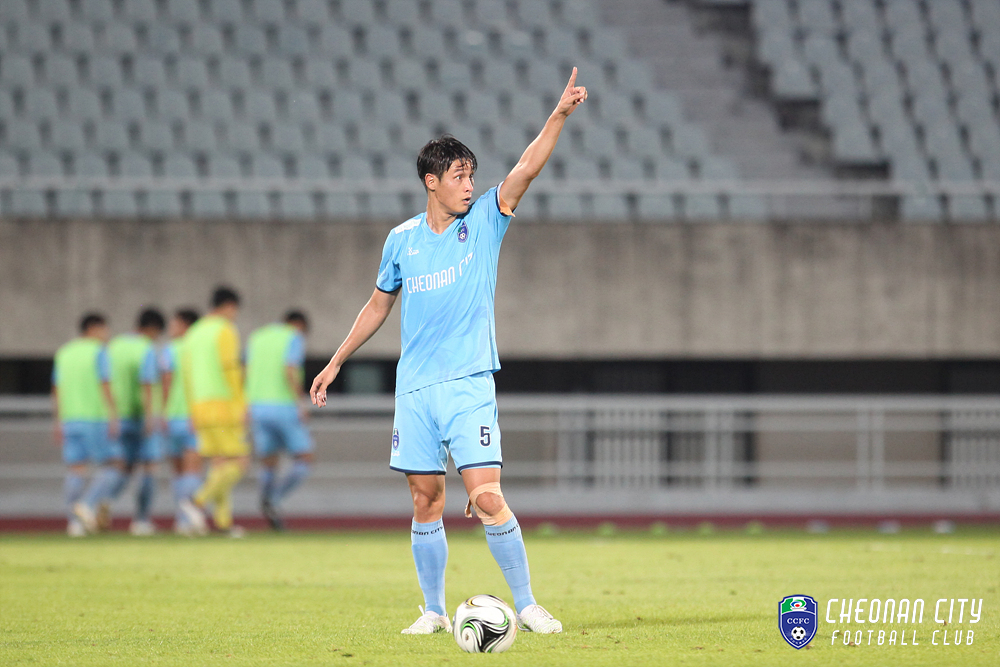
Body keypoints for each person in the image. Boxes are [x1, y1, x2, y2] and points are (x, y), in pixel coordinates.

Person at [311, 68, 588, 635]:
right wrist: (336, 360)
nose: (469, 185)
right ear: (431, 181)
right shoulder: (402, 240)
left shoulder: (485, 220)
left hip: (468, 384)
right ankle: (434, 611)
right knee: (425, 501)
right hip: (415, 389)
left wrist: (558, 116)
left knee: (486, 497)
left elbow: (526, 169)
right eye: (459, 176)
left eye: (471, 176)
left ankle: (527, 604)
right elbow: (377, 305)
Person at [178, 286, 248, 537]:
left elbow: (186, 376)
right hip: (224, 404)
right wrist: (241, 404)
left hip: (200, 406)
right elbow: (231, 369)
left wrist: (191, 410)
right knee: (239, 462)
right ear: (229, 306)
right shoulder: (225, 330)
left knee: (219, 465)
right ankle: (196, 501)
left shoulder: (192, 333)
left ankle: (223, 523)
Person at [53, 313, 121, 536]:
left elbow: (56, 389)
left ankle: (74, 523)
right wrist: (113, 415)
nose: (107, 334)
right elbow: (105, 384)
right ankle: (87, 504)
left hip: (70, 419)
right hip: (95, 417)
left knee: (76, 470)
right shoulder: (99, 351)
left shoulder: (64, 353)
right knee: (113, 466)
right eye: (105, 329)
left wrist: (57, 420)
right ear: (93, 328)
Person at [245, 310, 313, 531]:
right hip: (284, 406)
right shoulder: (293, 336)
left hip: (257, 406)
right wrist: (301, 402)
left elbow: (246, 371)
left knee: (268, 461)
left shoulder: (256, 337)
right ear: (299, 325)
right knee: (304, 458)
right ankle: (274, 499)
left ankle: (266, 499)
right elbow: (290, 368)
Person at [107, 308, 166, 536]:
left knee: (122, 467)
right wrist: (150, 416)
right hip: (141, 416)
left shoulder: (114, 346)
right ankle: (141, 519)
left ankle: (104, 503)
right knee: (149, 467)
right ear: (152, 329)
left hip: (117, 417)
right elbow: (147, 383)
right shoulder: (146, 349)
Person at [159, 308, 202, 535]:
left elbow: (166, 381)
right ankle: (187, 520)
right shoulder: (198, 349)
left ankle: (181, 519)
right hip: (193, 416)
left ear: (186, 325)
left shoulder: (170, 349)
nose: (171, 328)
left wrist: (164, 412)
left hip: (173, 417)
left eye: (174, 324)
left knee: (178, 472)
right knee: (192, 470)